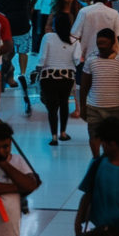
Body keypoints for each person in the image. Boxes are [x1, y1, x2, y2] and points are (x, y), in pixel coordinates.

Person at [79, 29, 119, 158]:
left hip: (116, 109)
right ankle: (96, 160)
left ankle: (111, 161)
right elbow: (85, 84)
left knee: (114, 139)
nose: (101, 46)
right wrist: (83, 106)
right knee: (94, 134)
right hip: (94, 107)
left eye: (104, 42)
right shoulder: (91, 59)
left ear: (112, 42)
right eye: (99, 43)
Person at [37, 13, 83, 145]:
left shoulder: (48, 37)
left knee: (52, 107)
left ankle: (54, 137)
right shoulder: (74, 40)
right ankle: (63, 133)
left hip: (48, 77)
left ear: (55, 25)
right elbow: (76, 60)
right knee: (64, 103)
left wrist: (38, 69)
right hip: (67, 77)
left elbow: (42, 58)